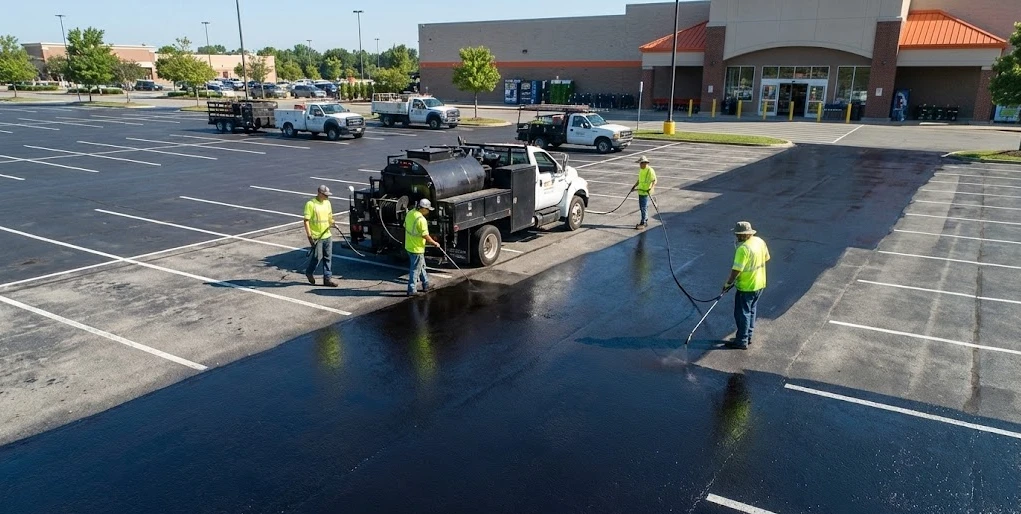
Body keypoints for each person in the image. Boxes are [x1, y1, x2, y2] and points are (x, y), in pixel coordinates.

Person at [722, 221, 770, 350]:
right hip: (760, 283)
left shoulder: (743, 249)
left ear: (741, 235)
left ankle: (741, 341)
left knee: (742, 313)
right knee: (751, 310)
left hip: (747, 287)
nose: (736, 237)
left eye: (737, 235)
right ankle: (747, 336)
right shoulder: (759, 241)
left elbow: (736, 270)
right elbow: (766, 258)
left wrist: (728, 284)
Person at [304, 185, 339, 287]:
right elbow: (306, 221)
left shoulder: (327, 203)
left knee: (328, 257)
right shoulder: (310, 204)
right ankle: (309, 272)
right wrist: (309, 236)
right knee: (317, 257)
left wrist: (332, 223)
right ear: (319, 193)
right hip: (317, 236)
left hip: (327, 235)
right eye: (325, 195)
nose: (327, 197)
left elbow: (329, 217)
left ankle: (327, 279)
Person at [405, 198, 440, 297]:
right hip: (417, 248)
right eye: (428, 209)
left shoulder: (410, 213)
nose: (428, 211)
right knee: (415, 269)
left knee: (421, 266)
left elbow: (406, 226)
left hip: (409, 246)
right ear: (423, 209)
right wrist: (435, 243)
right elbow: (426, 236)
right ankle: (411, 289)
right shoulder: (421, 220)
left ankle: (426, 285)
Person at [631, 156, 657, 230]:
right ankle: (645, 220)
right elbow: (639, 180)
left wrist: (650, 188)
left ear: (645, 163)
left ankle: (644, 222)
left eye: (641, 163)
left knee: (643, 207)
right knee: (643, 207)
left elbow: (654, 181)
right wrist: (634, 186)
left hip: (646, 192)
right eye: (639, 163)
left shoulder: (650, 170)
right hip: (641, 191)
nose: (640, 165)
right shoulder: (641, 170)